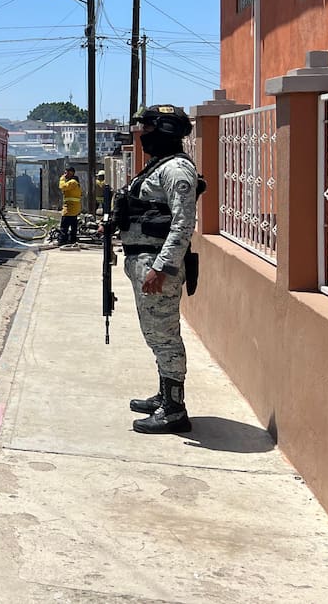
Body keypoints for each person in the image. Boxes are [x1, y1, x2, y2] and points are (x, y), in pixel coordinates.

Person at [115, 105, 199, 434]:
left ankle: (175, 409)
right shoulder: (158, 166)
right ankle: (165, 395)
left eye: (148, 129)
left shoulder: (177, 170)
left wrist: (161, 267)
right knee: (155, 334)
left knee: (165, 336)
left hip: (156, 265)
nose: (143, 136)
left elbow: (182, 224)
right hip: (144, 261)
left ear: (165, 130)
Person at [58, 166, 81, 245]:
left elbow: (62, 187)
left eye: (66, 172)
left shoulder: (72, 182)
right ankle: (72, 240)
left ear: (71, 173)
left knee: (64, 226)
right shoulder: (74, 182)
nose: (65, 174)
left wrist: (62, 179)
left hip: (69, 209)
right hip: (73, 208)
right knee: (73, 226)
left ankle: (63, 241)